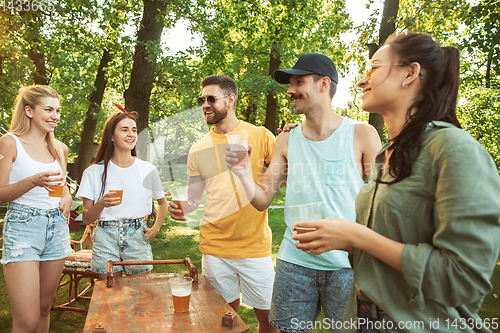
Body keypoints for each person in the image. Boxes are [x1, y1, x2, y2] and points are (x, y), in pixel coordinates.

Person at [292, 32, 500, 332]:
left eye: (374, 68)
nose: (362, 81)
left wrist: (356, 237)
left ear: (410, 73)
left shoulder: (454, 149)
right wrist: (342, 241)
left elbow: (463, 277)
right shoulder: (386, 156)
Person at [226, 53, 382, 333]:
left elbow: (384, 205)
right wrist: (242, 173)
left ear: (324, 84)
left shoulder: (362, 134)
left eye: (298, 82)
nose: (289, 90)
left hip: (348, 265)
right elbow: (262, 201)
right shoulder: (287, 139)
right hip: (294, 264)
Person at [169, 75, 278, 333]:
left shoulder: (261, 136)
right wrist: (182, 207)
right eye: (201, 99)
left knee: (272, 321)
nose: (204, 104)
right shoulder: (198, 148)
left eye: (211, 99)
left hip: (254, 247)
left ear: (230, 100)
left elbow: (280, 180)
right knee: (222, 322)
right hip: (215, 249)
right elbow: (194, 197)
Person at [0, 85, 73, 333]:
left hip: (56, 230)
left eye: (58, 110)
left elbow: (62, 187)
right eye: (49, 110)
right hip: (23, 228)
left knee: (44, 308)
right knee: (27, 321)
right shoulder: (10, 143)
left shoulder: (59, 148)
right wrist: (32, 181)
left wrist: (68, 195)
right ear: (29, 111)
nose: (55, 116)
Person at [76, 108, 167, 281]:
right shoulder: (93, 172)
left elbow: (163, 203)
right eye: (124, 129)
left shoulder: (147, 169)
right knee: (110, 297)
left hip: (137, 234)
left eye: (133, 130)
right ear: (111, 136)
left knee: (140, 296)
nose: (131, 134)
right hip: (105, 236)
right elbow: (87, 218)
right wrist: (101, 203)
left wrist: (155, 228)